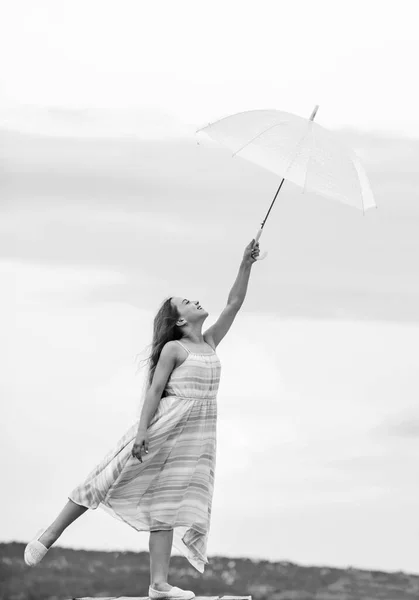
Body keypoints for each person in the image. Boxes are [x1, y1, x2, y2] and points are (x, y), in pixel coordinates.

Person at [24, 239, 261, 599]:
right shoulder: (173, 348)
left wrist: (246, 263)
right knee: (105, 475)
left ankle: (158, 584)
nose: (195, 300)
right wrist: (141, 433)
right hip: (163, 425)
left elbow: (235, 302)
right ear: (180, 320)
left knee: (167, 504)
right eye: (187, 302)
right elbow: (154, 392)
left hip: (194, 437)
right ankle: (51, 533)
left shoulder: (209, 343)